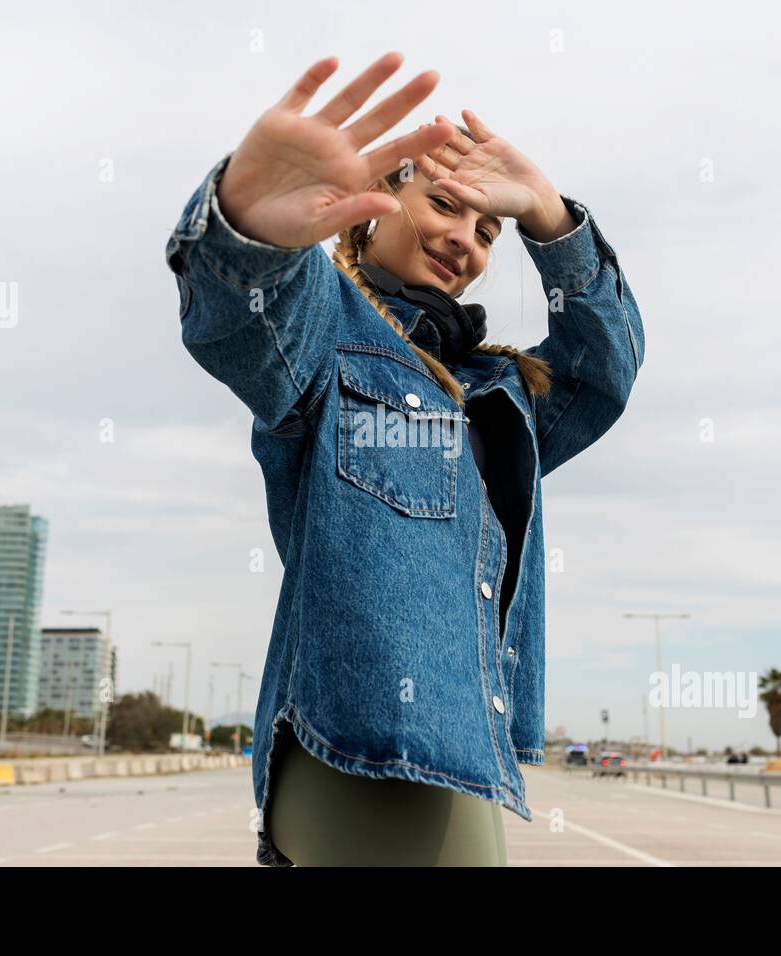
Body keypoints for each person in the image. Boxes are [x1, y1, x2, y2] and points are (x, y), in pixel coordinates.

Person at [164, 52, 645, 865]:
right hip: (357, 752)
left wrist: (551, 218)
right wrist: (245, 224)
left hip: (469, 757)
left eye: (487, 230)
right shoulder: (331, 332)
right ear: (377, 202)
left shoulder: (500, 392)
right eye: (445, 207)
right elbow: (237, 321)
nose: (465, 239)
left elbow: (605, 369)